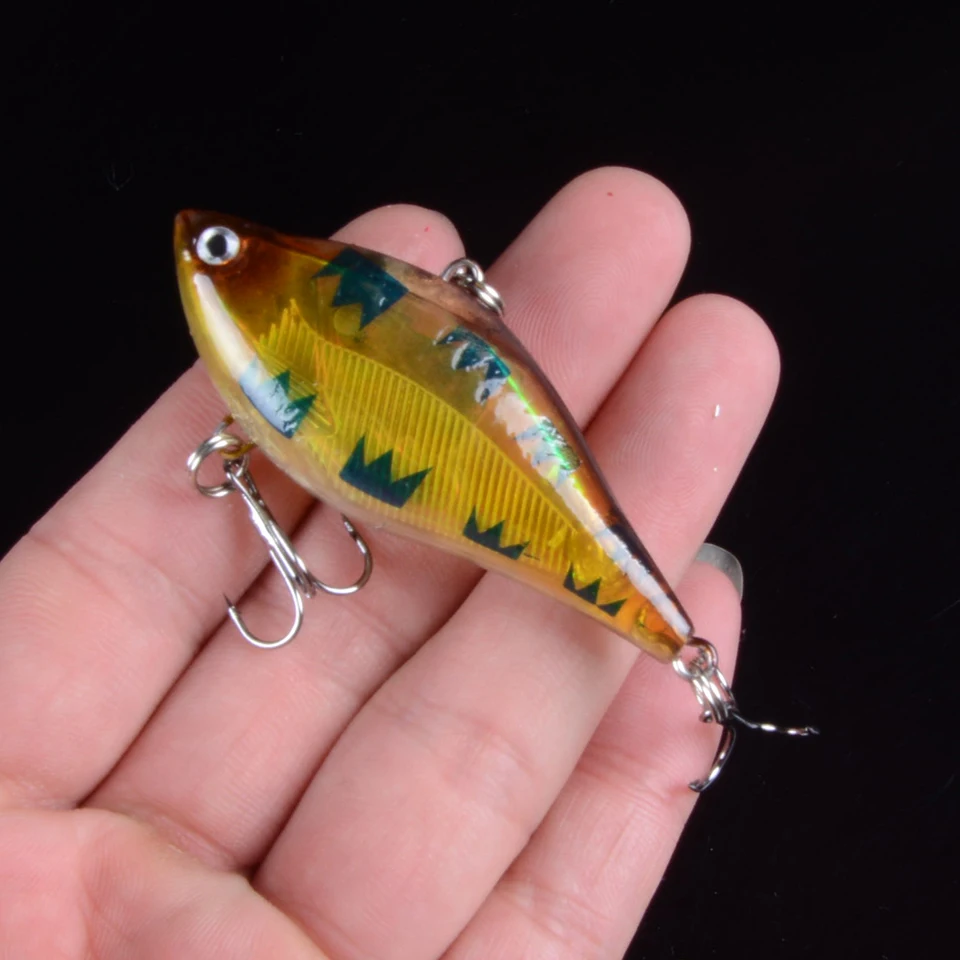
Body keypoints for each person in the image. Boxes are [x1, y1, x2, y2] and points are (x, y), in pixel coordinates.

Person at [0, 167, 778, 958]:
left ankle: (675, 642)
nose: (197, 246)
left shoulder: (322, 291)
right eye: (218, 249)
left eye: (219, 247)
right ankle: (682, 649)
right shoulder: (279, 315)